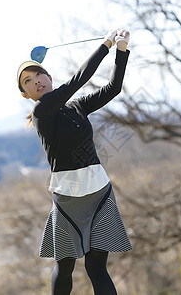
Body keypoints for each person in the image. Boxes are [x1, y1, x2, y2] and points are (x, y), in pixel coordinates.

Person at [17, 29, 132, 295]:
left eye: (39, 75)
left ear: (49, 78)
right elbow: (78, 81)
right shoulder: (41, 112)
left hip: (99, 191)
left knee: (97, 268)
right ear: (26, 94)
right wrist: (105, 44)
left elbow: (113, 89)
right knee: (66, 266)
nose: (36, 82)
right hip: (68, 197)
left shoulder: (77, 106)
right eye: (28, 81)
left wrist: (121, 50)